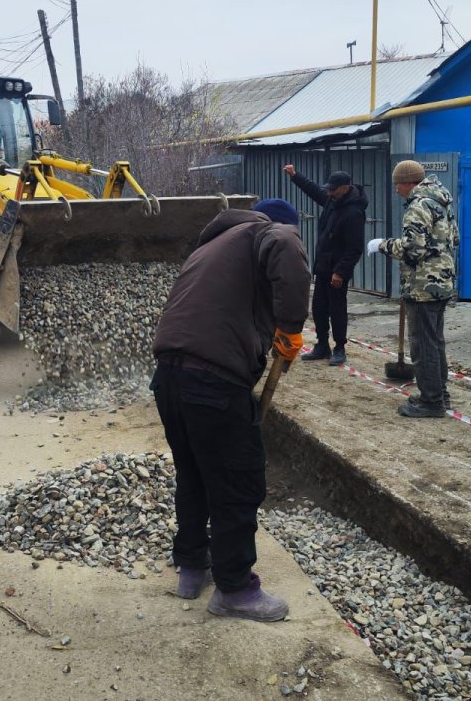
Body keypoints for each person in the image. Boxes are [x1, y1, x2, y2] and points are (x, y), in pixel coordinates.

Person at [151, 198, 309, 621]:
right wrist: (291, 328)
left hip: (168, 377)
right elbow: (284, 241)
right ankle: (235, 589)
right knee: (237, 480)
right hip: (214, 381)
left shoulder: (210, 246)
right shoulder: (268, 231)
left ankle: (192, 567)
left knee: (195, 473)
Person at [367, 160, 459, 418]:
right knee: (435, 341)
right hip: (442, 281)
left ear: (408, 182)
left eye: (397, 183)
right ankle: (440, 394)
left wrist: (382, 245)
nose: (396, 189)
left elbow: (412, 249)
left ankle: (431, 403)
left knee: (423, 345)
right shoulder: (442, 202)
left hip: (423, 286)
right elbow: (455, 239)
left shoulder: (418, 207)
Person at [282, 165, 368, 366]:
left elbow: (354, 248)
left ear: (345, 188)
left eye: (333, 189)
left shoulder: (354, 212)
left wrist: (340, 272)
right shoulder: (332, 200)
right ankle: (322, 345)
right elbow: (314, 190)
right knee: (319, 307)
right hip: (322, 266)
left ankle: (339, 348)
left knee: (337, 309)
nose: (328, 192)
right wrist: (296, 176)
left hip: (337, 270)